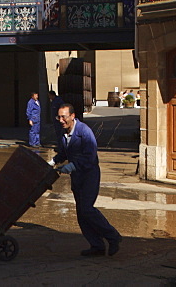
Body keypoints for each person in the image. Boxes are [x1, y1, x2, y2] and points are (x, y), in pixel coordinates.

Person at [50, 102, 122, 257]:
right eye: (59, 117)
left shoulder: (84, 132)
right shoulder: (63, 133)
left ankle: (113, 236)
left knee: (87, 209)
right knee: (81, 213)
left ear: (72, 116)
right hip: (77, 177)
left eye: (64, 117)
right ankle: (97, 246)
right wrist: (54, 161)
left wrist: (71, 166)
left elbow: (90, 157)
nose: (61, 120)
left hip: (89, 175)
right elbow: (64, 152)